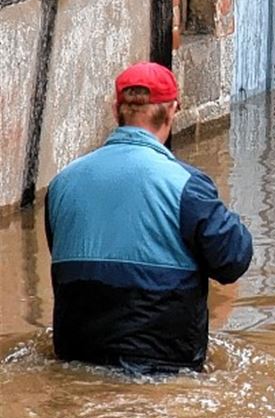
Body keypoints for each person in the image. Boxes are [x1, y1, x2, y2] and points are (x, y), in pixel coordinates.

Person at [45, 62, 253, 374]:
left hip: (76, 351)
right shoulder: (188, 186)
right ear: (171, 111)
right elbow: (231, 262)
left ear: (117, 111)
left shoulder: (62, 182)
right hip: (164, 362)